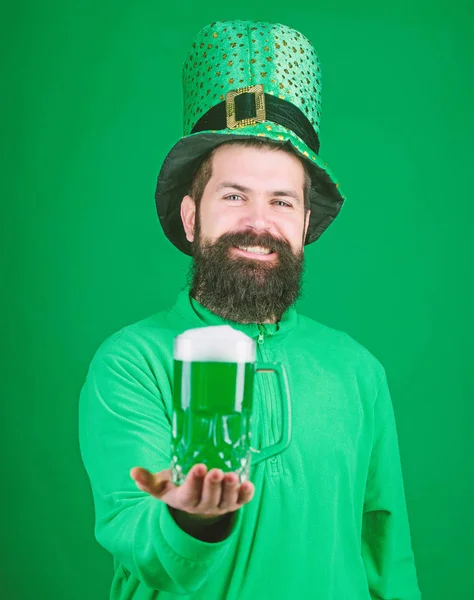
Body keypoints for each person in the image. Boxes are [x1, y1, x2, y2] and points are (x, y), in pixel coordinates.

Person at [78, 20, 422, 600]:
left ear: (306, 224)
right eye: (234, 196)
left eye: (281, 202)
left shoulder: (359, 370)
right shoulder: (130, 361)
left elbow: (388, 558)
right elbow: (134, 531)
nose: (258, 223)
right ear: (192, 217)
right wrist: (191, 518)